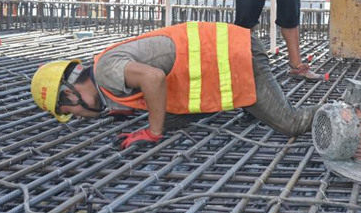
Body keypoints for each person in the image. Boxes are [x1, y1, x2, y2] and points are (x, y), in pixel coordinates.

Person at [30, 21, 318, 149]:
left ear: (69, 94)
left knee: (289, 123)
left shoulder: (106, 72)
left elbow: (153, 78)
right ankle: (249, 107)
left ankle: (347, 112)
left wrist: (154, 132)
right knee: (166, 118)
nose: (77, 117)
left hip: (238, 58)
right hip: (223, 63)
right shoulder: (106, 78)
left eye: (70, 112)